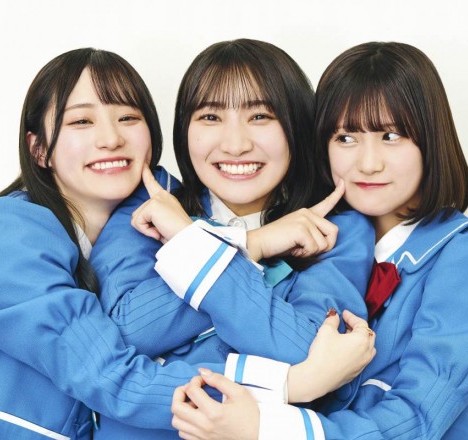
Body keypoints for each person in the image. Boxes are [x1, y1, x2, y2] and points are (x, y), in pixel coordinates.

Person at [0, 47, 374, 440]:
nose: (110, 138)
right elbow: (116, 363)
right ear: (39, 149)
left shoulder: (335, 229)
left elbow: (308, 343)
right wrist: (293, 381)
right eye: (81, 122)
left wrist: (197, 251)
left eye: (127, 117)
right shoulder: (9, 233)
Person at [170, 41, 468, 439]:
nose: (368, 163)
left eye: (391, 136)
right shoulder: (307, 239)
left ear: (430, 140)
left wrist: (262, 427)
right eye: (345, 138)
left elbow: (418, 418)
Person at [91, 39, 376, 438]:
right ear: (184, 129)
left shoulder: (336, 229)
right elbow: (121, 333)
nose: (236, 144)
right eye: (210, 117)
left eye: (260, 116)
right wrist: (254, 242)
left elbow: (308, 351)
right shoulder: (151, 203)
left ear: (296, 124)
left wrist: (188, 241)